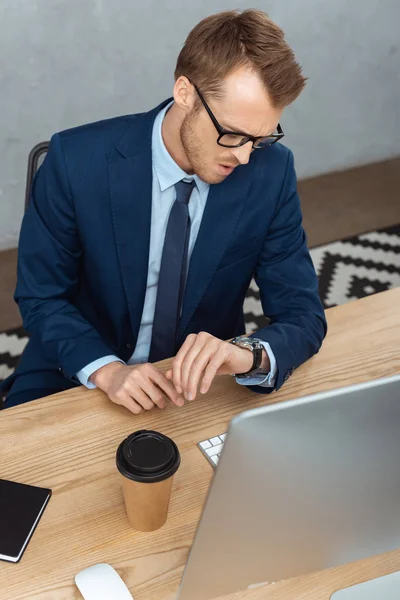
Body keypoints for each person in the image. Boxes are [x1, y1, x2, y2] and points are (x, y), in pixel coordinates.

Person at [1, 9, 327, 412]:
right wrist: (107, 370)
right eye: (232, 134)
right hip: (75, 368)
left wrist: (247, 356)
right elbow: (41, 297)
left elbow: (303, 315)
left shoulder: (271, 171)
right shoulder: (75, 161)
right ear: (185, 93)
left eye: (259, 139)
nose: (244, 157)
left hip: (197, 386)